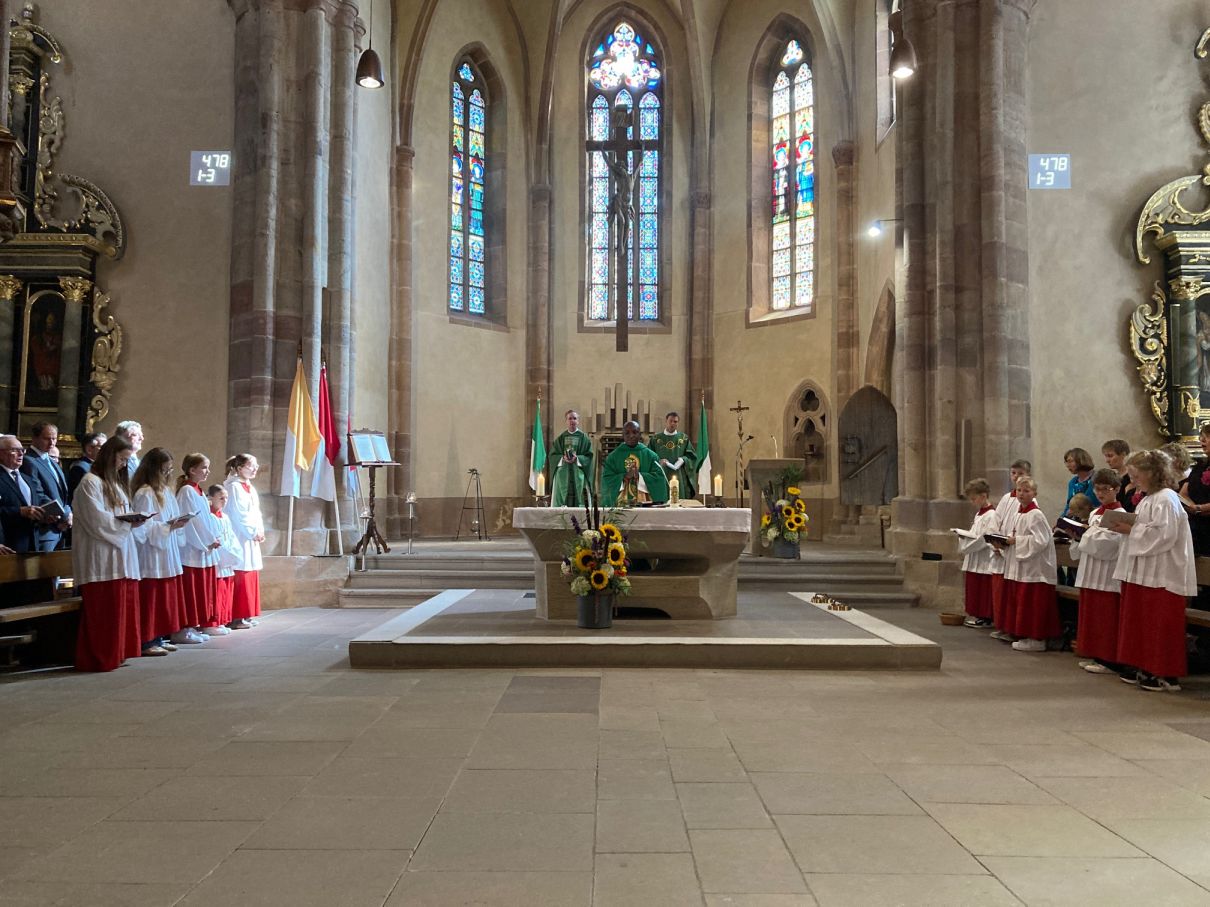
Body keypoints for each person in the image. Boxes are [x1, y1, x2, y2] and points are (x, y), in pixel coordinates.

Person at [1109, 449, 1197, 692]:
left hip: (1162, 573)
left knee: (1160, 625)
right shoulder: (1149, 498)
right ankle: (1145, 665)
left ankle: (1164, 673)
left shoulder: (1166, 499)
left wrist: (1130, 530)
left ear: (1152, 473)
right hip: (1146, 571)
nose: (1132, 480)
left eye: (1136, 475)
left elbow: (1164, 535)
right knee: (1144, 622)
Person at [71, 435, 148, 672]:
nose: (124, 464)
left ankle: (117, 653)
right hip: (100, 556)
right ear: (109, 456)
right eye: (122, 459)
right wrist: (126, 523)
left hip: (119, 553)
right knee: (104, 612)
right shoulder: (90, 482)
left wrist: (133, 520)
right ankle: (100, 657)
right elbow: (96, 520)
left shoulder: (113, 484)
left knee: (118, 611)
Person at [131, 448, 196, 652]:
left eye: (170, 470)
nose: (168, 474)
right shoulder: (145, 493)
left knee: (163, 597)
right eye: (164, 470)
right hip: (151, 553)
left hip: (167, 549)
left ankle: (158, 637)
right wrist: (168, 526)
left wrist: (177, 524)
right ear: (153, 470)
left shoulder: (166, 492)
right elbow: (142, 526)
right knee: (152, 596)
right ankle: (147, 640)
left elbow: (172, 516)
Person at [1071, 468, 1126, 677]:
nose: (1100, 493)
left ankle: (1109, 660)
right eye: (1097, 489)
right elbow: (1089, 541)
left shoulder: (1120, 515)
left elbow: (1110, 544)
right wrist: (1076, 534)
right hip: (1091, 571)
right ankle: (1096, 654)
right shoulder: (1095, 513)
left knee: (1106, 617)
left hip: (1107, 573)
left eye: (1105, 489)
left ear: (1117, 489)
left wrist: (1085, 535)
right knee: (1093, 616)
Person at [1001, 476, 1059, 653]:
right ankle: (1024, 635)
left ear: (1035, 494)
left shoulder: (1036, 514)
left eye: (1026, 491)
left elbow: (1041, 541)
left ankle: (1036, 638)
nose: (1021, 494)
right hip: (1022, 566)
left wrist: (1016, 541)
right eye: (1019, 490)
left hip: (1035, 568)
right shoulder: (1018, 513)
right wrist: (1003, 543)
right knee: (1022, 601)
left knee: (1033, 603)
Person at [175, 453, 225, 638]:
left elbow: (206, 519)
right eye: (204, 467)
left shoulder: (199, 491)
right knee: (193, 589)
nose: (207, 471)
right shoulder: (187, 491)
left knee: (203, 589)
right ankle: (187, 627)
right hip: (193, 548)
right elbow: (192, 521)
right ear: (192, 469)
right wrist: (208, 540)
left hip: (205, 545)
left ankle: (200, 625)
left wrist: (214, 536)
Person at [989, 458, 1031, 640]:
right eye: (1013, 473)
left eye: (1020, 474)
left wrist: (1006, 545)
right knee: (1002, 595)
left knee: (1011, 595)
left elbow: (1023, 528)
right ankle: (1003, 626)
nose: (1016, 477)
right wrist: (994, 541)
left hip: (1013, 551)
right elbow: (996, 520)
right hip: (1001, 548)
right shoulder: (1006, 498)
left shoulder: (1029, 501)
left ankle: (1012, 629)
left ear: (1028, 476)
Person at [223, 454, 265, 629]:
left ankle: (246, 614)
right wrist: (252, 531)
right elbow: (238, 514)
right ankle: (236, 616)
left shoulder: (249, 487)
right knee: (240, 571)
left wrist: (260, 530)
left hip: (251, 536)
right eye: (251, 466)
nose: (255, 469)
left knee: (250, 571)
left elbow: (256, 512)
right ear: (240, 468)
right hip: (240, 536)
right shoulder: (233, 487)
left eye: (256, 465)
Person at [20, 421, 71, 551]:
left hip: (60, 528)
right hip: (46, 528)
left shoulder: (51, 460)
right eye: (47, 438)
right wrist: (63, 516)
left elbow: (62, 493)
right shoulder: (28, 460)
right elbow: (38, 493)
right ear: (35, 438)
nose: (52, 443)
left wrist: (68, 512)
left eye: (54, 438)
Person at [957, 478, 999, 629]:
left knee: (983, 589)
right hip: (975, 556)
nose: (972, 502)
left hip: (984, 558)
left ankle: (986, 618)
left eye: (974, 499)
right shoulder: (979, 514)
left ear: (983, 496)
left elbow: (986, 537)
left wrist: (967, 545)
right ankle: (978, 615)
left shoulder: (992, 515)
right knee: (975, 588)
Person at [0, 434, 50, 552]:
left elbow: (34, 505)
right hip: (8, 545)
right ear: (1, 453)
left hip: (32, 543)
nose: (21, 454)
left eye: (22, 450)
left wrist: (44, 516)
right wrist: (20, 511)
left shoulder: (27, 478)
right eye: (14, 450)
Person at [600, 421, 669, 506]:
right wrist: (624, 476)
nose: (631, 436)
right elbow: (607, 479)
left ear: (640, 435)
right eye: (627, 433)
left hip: (646, 504)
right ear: (623, 435)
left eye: (634, 432)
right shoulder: (612, 457)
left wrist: (640, 476)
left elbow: (659, 478)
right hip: (620, 506)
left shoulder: (651, 456)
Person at [208, 484, 243, 630]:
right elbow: (215, 539)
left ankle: (222, 621)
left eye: (226, 498)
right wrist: (226, 555)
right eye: (221, 498)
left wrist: (234, 554)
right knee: (216, 592)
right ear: (211, 498)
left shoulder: (225, 517)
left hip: (228, 559)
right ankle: (212, 624)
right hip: (218, 559)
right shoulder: (209, 517)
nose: (224, 501)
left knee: (226, 592)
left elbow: (232, 538)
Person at [548, 410, 594, 507]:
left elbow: (589, 456)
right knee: (560, 483)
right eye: (570, 418)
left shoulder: (584, 438)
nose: (572, 421)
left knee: (581, 491)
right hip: (563, 473)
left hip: (579, 472)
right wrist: (562, 458)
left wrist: (577, 459)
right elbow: (553, 456)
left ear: (578, 421)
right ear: (566, 421)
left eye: (574, 418)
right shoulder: (561, 438)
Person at [648, 411, 697, 499]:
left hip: (679, 475)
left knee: (678, 499)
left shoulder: (684, 438)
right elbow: (648, 457)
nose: (672, 423)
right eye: (670, 421)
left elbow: (691, 456)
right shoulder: (655, 439)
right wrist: (658, 461)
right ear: (666, 421)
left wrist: (683, 460)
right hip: (662, 473)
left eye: (675, 421)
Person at [1180, 424, 1210, 557]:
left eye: (1207, 437)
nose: (1202, 440)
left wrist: (1200, 508)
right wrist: (1193, 507)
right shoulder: (1200, 466)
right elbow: (1183, 493)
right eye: (1201, 437)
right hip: (1196, 524)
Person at [68, 431, 105, 504]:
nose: (106, 450)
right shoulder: (79, 468)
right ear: (89, 449)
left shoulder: (101, 466)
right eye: (102, 447)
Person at [1102, 439, 1135, 511]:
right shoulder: (1114, 477)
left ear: (1123, 455)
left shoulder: (1132, 478)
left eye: (1110, 456)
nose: (1107, 460)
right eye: (1106, 456)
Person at [1061, 448, 1095, 517]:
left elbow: (1090, 502)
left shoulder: (1095, 479)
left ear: (1081, 460)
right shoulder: (1073, 482)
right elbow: (1069, 504)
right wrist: (1062, 518)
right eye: (1066, 462)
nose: (1067, 465)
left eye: (1070, 461)